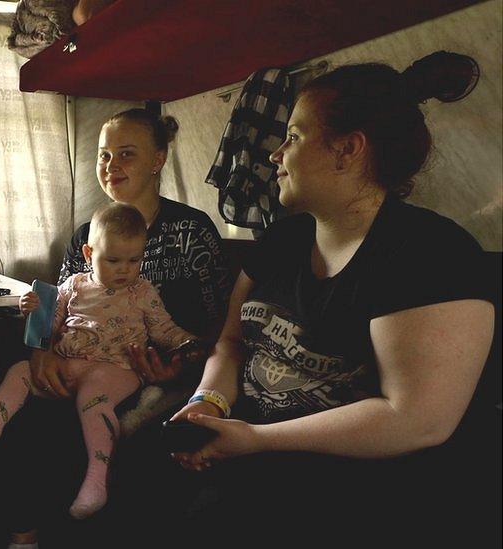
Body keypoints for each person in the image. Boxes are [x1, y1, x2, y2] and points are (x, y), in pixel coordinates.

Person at [167, 62, 495, 541]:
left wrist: (256, 440)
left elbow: (417, 420)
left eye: (294, 137)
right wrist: (208, 405)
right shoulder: (283, 239)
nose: (276, 155)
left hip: (358, 489)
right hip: (251, 450)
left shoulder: (431, 255)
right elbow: (232, 342)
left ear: (346, 150)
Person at [0, 109, 233, 548]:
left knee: (123, 443)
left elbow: (219, 324)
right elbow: (58, 298)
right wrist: (40, 349)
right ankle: (22, 537)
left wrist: (180, 369)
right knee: (28, 423)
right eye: (104, 155)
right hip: (78, 360)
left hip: (158, 376)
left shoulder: (192, 231)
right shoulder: (88, 233)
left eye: (126, 154)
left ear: (158, 159)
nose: (110, 166)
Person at [0, 202, 203, 519]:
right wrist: (31, 310)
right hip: (68, 365)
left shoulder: (142, 291)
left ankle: (97, 479)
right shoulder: (74, 286)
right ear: (87, 253)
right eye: (113, 260)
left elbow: (164, 329)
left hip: (117, 370)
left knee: (94, 399)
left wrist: (188, 344)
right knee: (21, 369)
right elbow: (48, 326)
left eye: (134, 260)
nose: (124, 269)